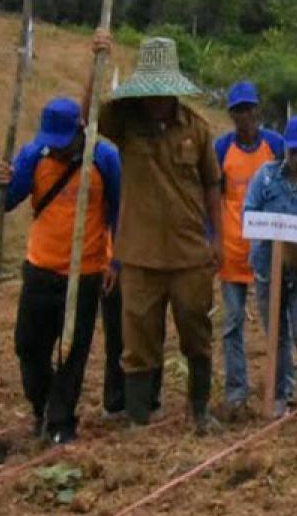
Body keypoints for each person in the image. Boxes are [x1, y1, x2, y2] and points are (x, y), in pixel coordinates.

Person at [91, 34, 222, 433]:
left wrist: (216, 237)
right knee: (139, 344)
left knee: (196, 336)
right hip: (140, 256)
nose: (156, 98)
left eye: (162, 90)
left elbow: (212, 184)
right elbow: (90, 118)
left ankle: (200, 413)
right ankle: (138, 420)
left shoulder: (197, 130)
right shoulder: (125, 124)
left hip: (189, 256)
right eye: (150, 90)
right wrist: (97, 64)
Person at [0, 99, 120, 444]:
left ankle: (62, 422)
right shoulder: (34, 155)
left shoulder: (105, 160)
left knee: (73, 351)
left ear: (80, 133)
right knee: (28, 347)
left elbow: (119, 212)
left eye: (65, 144)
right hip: (40, 269)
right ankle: (41, 406)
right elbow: (7, 199)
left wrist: (114, 260)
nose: (58, 151)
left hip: (85, 273)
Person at [213, 81, 283, 414]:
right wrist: (209, 237)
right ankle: (236, 392)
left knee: (274, 324)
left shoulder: (275, 145)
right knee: (232, 325)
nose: (245, 116)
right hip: (231, 250)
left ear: (257, 110)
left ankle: (281, 388)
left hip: (271, 252)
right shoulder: (221, 149)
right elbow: (212, 197)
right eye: (238, 110)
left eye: (249, 109)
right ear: (231, 115)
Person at [243, 116, 297, 415]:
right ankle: (278, 396)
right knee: (276, 336)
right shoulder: (266, 177)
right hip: (267, 268)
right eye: (292, 150)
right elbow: (250, 213)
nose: (296, 157)